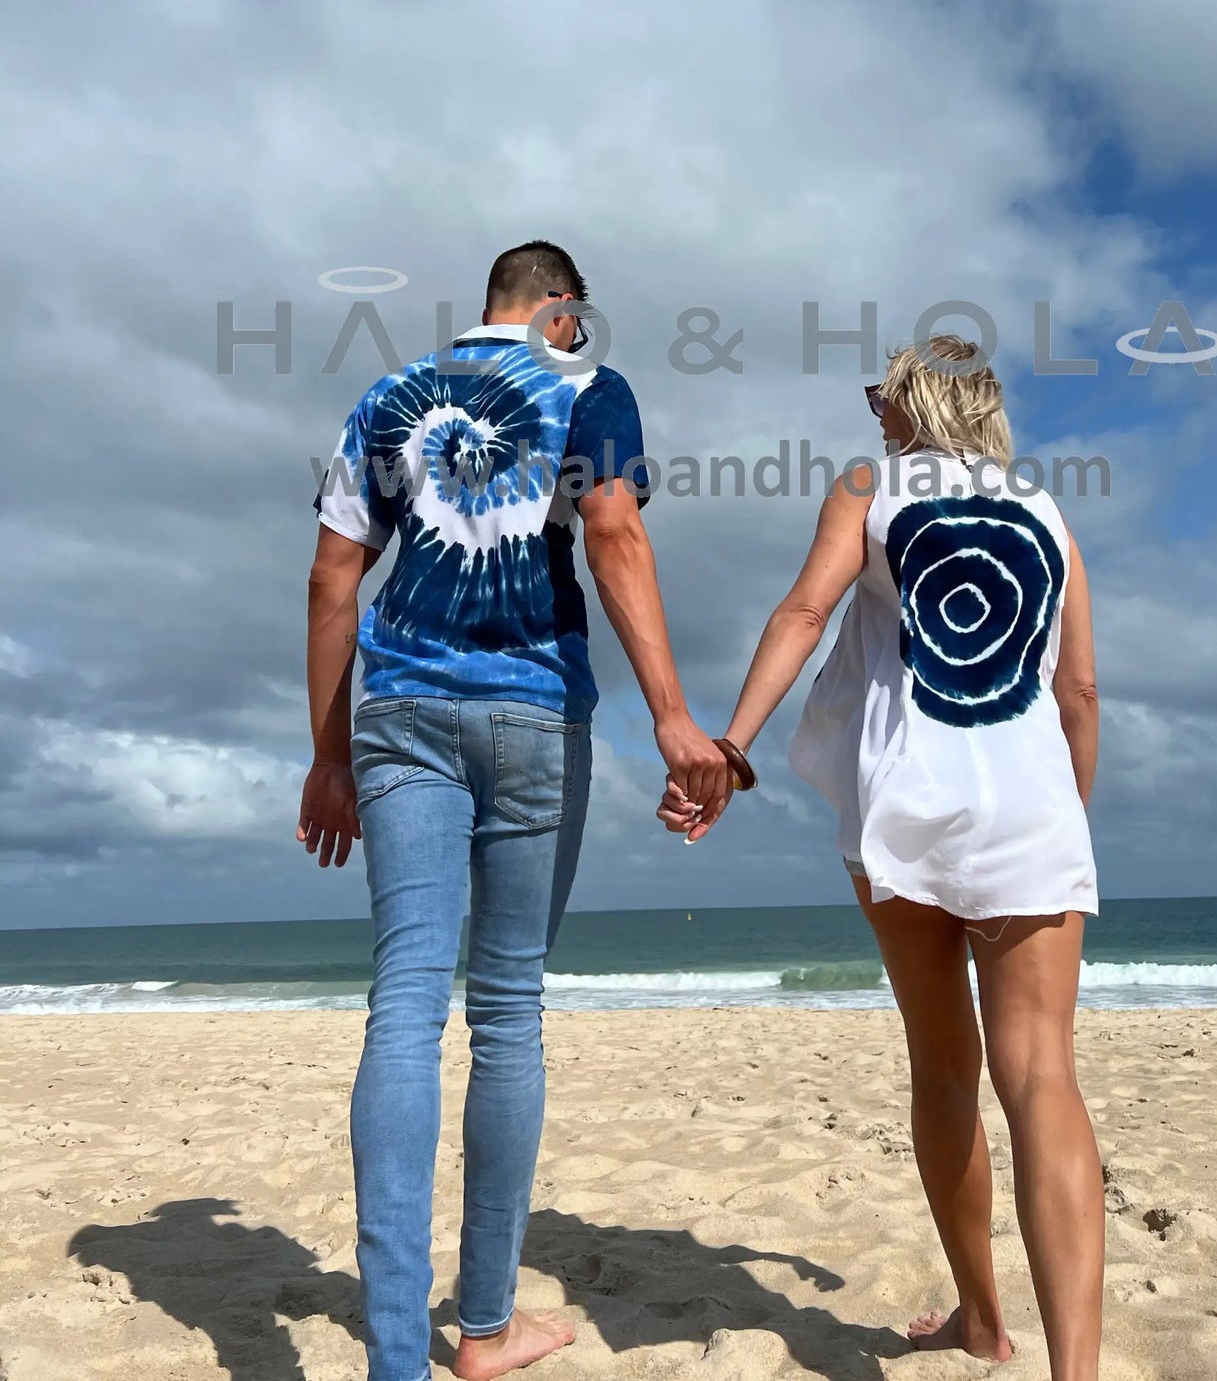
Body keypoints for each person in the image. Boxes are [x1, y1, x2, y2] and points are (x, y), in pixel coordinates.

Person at [298, 240, 729, 1381]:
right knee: (507, 1013)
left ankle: (399, 1359)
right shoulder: (588, 384)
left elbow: (333, 575)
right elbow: (614, 531)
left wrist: (325, 756)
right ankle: (481, 1332)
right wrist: (676, 720)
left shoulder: (388, 395)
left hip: (397, 708)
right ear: (562, 309)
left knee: (403, 1006)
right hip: (536, 708)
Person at [660, 335, 1104, 1380]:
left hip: (905, 808)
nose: (871, 412)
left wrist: (731, 745)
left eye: (882, 393)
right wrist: (1060, 815)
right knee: (1042, 1077)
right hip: (1030, 810)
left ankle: (984, 1322)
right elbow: (1078, 692)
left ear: (916, 402)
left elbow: (804, 611)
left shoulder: (873, 485)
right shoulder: (1048, 512)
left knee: (944, 1067)